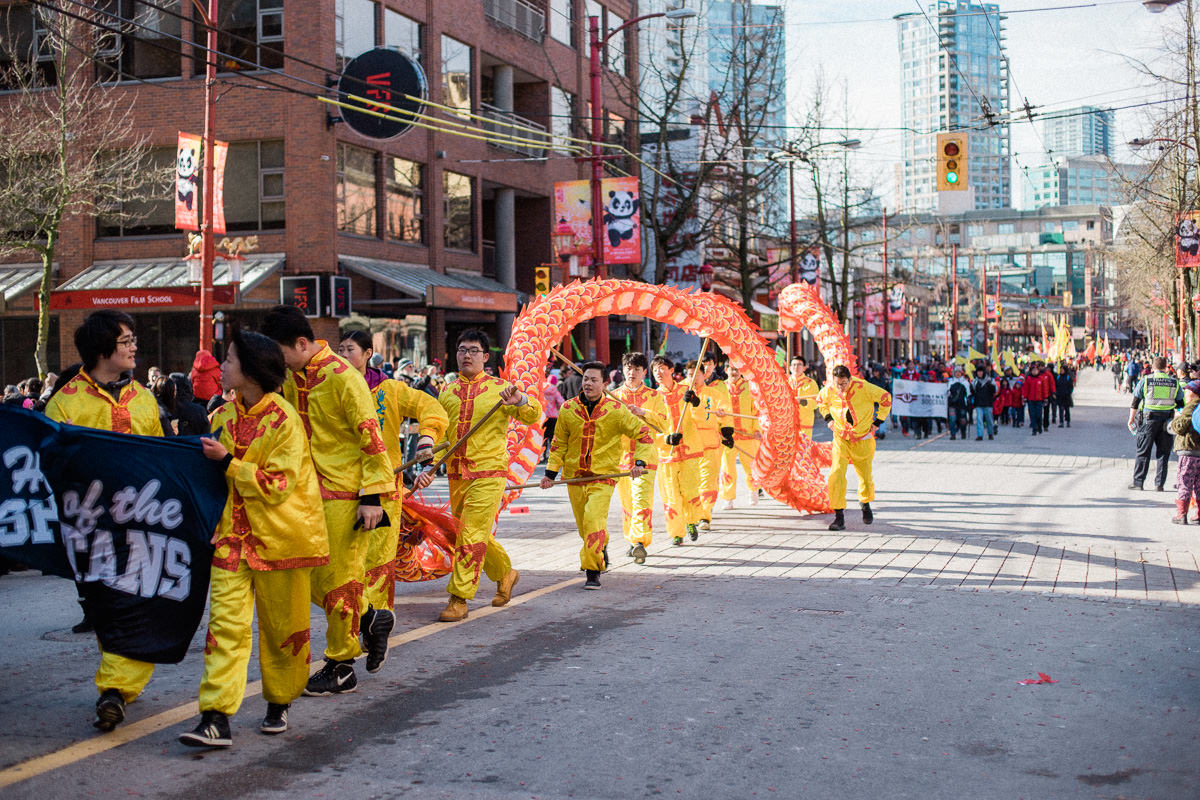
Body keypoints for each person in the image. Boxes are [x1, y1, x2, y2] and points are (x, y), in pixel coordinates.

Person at [181, 328, 327, 748]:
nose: (222, 367)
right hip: (231, 539)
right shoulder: (223, 416)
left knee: (284, 628)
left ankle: (279, 699)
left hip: (280, 540)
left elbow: (280, 484)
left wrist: (228, 463)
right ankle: (215, 716)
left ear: (251, 370)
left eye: (228, 360)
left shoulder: (284, 420)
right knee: (224, 628)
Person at [260, 305, 395, 696]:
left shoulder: (342, 378)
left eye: (279, 352)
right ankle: (369, 617)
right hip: (306, 495)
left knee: (339, 582)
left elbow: (370, 437)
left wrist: (371, 496)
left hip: (347, 496)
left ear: (301, 344)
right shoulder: (291, 377)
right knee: (310, 580)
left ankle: (341, 664)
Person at [44, 310, 164, 733]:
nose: (134, 346)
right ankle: (117, 685)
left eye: (133, 339)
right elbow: (50, 467)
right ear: (102, 349)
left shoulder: (146, 400)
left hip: (145, 527)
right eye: (126, 340)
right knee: (108, 606)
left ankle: (115, 689)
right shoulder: (64, 403)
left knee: (141, 602)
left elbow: (162, 461)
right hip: (91, 530)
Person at [336, 330, 448, 672]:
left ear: (369, 352)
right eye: (339, 350)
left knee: (376, 564)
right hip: (341, 492)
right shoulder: (331, 389)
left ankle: (374, 631)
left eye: (350, 349)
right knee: (342, 566)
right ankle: (359, 626)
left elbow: (431, 408)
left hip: (384, 491)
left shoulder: (390, 390)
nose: (343, 356)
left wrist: (427, 439)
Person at [428, 329, 540, 622]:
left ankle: (459, 597)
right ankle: (505, 573)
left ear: (485, 357)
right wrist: (430, 465)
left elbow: (532, 415)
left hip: (488, 473)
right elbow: (443, 435)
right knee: (465, 532)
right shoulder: (447, 392)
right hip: (456, 474)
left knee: (471, 533)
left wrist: (518, 400)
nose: (466, 355)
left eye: (473, 350)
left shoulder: (500, 388)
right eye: (462, 349)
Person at [542, 362, 652, 588]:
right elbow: (559, 443)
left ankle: (592, 571)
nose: (588, 383)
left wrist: (639, 462)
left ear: (605, 383)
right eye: (585, 379)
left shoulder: (616, 410)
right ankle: (600, 548)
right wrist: (550, 473)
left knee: (593, 519)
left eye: (594, 380)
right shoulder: (568, 409)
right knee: (586, 527)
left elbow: (643, 434)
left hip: (603, 477)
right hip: (574, 477)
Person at [817, 364, 892, 531]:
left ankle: (865, 503)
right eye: (838, 383)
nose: (840, 387)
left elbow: (886, 398)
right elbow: (820, 401)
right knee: (836, 474)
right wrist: (828, 419)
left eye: (843, 383)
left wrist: (878, 422)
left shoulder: (864, 387)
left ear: (850, 379)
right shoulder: (830, 389)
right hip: (841, 439)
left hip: (863, 439)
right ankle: (839, 516)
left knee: (865, 476)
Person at [614, 352, 666, 563]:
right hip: (621, 458)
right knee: (627, 503)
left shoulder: (655, 397)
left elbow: (664, 424)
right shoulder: (613, 397)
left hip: (646, 458)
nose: (631, 372)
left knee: (641, 500)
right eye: (628, 368)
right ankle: (631, 539)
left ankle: (640, 542)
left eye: (636, 369)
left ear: (644, 372)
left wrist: (642, 412)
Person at [654, 356, 704, 546]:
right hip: (667, 454)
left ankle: (691, 521)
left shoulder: (687, 390)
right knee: (670, 495)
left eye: (662, 368)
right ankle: (676, 532)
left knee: (690, 489)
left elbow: (703, 417)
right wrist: (664, 439)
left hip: (689, 450)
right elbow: (650, 428)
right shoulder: (653, 397)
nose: (659, 373)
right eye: (655, 370)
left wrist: (696, 403)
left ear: (671, 370)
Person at [688, 352, 731, 532]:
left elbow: (725, 410)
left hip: (710, 444)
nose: (692, 378)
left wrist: (727, 431)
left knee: (707, 481)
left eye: (696, 374)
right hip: (688, 445)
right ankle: (691, 514)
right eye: (689, 374)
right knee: (692, 482)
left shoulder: (715, 392)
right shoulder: (682, 393)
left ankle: (705, 515)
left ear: (703, 374)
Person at [1128, 356, 1184, 491]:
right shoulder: (1174, 383)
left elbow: (1135, 402)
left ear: (1153, 367)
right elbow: (1181, 404)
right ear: (1166, 367)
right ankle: (1159, 484)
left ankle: (1138, 482)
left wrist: (1131, 419)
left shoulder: (1146, 380)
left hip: (1148, 420)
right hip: (1166, 422)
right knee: (1164, 453)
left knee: (1143, 452)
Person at [716, 363, 761, 508]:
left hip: (747, 434)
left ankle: (753, 491)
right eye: (731, 369)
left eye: (736, 369)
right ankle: (728, 498)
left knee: (750, 466)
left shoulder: (750, 387)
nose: (734, 372)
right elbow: (716, 408)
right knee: (728, 468)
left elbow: (757, 410)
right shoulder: (721, 388)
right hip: (728, 435)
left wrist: (757, 429)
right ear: (726, 370)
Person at [1169, 380, 1200, 523]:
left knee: (1185, 482)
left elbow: (1180, 427)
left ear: (1193, 393)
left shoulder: (1191, 407)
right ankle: (1199, 514)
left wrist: (1176, 419)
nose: (1186, 393)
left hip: (1189, 449)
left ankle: (1181, 514)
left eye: (1188, 391)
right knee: (1198, 484)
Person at [789, 356, 819, 438]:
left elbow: (816, 403)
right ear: (790, 367)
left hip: (804, 424)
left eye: (799, 365)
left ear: (804, 368)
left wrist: (802, 401)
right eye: (794, 365)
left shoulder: (811, 383)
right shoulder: (784, 382)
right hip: (787, 424)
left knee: (803, 449)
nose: (796, 367)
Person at [541, 374, 565, 464]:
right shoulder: (555, 390)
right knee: (551, 436)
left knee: (543, 436)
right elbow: (561, 402)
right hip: (553, 416)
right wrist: (558, 408)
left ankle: (542, 455)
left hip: (543, 415)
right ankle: (550, 456)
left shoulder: (542, 388)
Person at [970, 369, 996, 441]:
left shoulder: (990, 380)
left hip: (988, 403)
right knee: (979, 419)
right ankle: (980, 435)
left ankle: (990, 433)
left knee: (989, 420)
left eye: (981, 371)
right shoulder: (975, 381)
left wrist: (990, 385)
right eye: (978, 371)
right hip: (979, 403)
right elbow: (972, 392)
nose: (980, 373)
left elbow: (995, 390)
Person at [946, 367, 971, 440]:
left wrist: (968, 403)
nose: (957, 373)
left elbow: (968, 394)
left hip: (962, 404)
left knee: (963, 419)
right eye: (956, 372)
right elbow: (947, 393)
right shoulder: (950, 382)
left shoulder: (965, 383)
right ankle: (953, 434)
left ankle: (963, 432)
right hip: (952, 404)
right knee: (952, 419)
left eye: (959, 372)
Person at [1055, 363, 1075, 428]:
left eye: (1062, 370)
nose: (1061, 371)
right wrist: (1056, 393)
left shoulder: (1068, 377)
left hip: (1066, 396)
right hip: (1060, 396)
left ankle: (1068, 421)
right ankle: (1061, 422)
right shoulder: (1058, 377)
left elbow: (1071, 387)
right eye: (1060, 370)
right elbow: (1056, 386)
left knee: (1067, 410)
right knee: (1060, 409)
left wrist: (1068, 392)